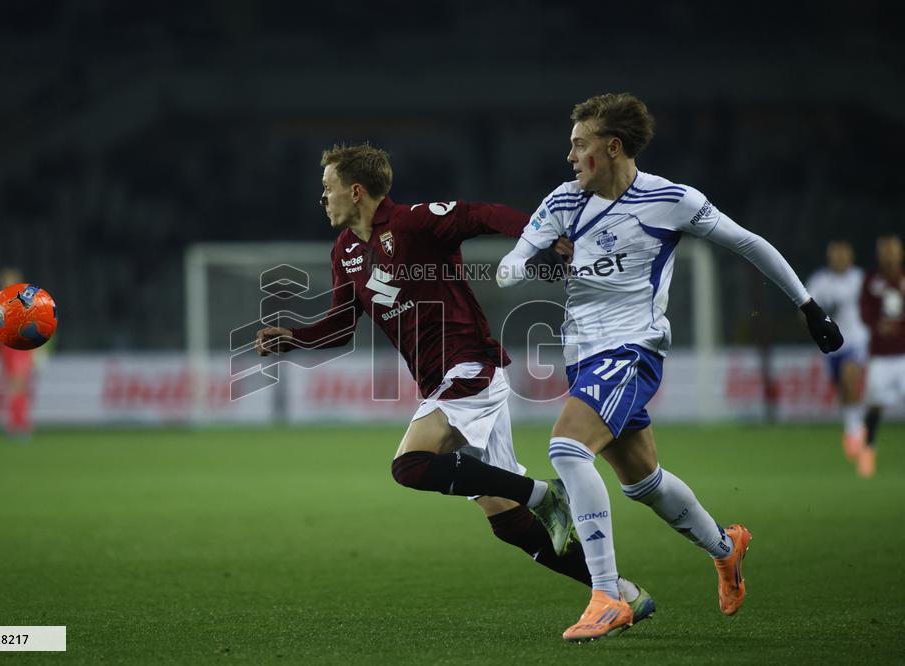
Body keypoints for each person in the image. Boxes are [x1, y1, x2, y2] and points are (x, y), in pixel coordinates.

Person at [255, 143, 655, 629]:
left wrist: (545, 238)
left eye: (328, 188)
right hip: (441, 384)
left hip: (470, 369)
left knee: (409, 465)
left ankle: (542, 494)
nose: (323, 198)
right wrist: (293, 338)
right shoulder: (346, 252)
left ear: (356, 191)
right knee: (508, 524)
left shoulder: (414, 223)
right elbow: (341, 324)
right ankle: (623, 594)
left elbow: (481, 215)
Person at [497, 93, 843, 642]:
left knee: (566, 448)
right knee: (643, 483)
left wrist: (809, 307)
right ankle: (727, 549)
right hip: (584, 357)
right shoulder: (565, 201)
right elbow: (511, 266)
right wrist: (530, 262)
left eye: (579, 145)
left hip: (634, 350)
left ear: (611, 148)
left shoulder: (672, 201)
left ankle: (609, 594)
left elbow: (748, 244)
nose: (569, 156)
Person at [806, 241, 869, 461]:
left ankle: (855, 434)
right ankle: (853, 426)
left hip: (857, 341)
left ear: (851, 256)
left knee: (849, 377)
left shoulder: (861, 279)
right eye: (836, 254)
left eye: (844, 254)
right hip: (832, 344)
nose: (840, 258)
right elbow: (803, 309)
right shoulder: (820, 281)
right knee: (843, 390)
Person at [858, 234, 905, 478]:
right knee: (875, 404)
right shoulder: (871, 280)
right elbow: (864, 310)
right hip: (880, 355)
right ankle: (868, 450)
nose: (888, 256)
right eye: (884, 251)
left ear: (900, 254)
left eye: (892, 251)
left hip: (903, 353)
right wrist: (877, 324)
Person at [0, 267, 44, 438]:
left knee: (19, 387)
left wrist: (38, 348)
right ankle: (17, 424)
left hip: (22, 347)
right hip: (7, 347)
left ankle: (19, 423)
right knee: (14, 388)